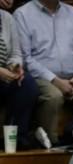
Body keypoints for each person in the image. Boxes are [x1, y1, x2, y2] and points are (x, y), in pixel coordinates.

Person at [14, 0, 73, 146]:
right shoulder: (22, 14)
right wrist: (55, 80)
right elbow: (26, 59)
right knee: (53, 96)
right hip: (42, 77)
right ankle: (50, 145)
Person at [0, 7, 38, 150]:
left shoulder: (6, 18)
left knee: (26, 84)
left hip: (3, 75)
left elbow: (16, 52)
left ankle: (16, 139)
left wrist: (15, 66)